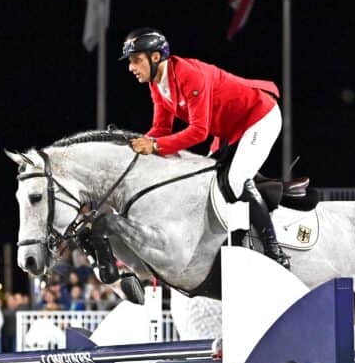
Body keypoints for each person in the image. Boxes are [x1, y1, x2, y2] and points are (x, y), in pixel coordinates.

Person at [120, 27, 289, 268]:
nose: (131, 67)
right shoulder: (157, 85)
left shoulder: (189, 74)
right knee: (205, 184)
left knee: (234, 181)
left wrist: (154, 145)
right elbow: (160, 130)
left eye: (136, 60)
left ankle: (275, 253)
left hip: (259, 116)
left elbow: (199, 132)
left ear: (155, 57)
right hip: (230, 131)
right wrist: (131, 148)